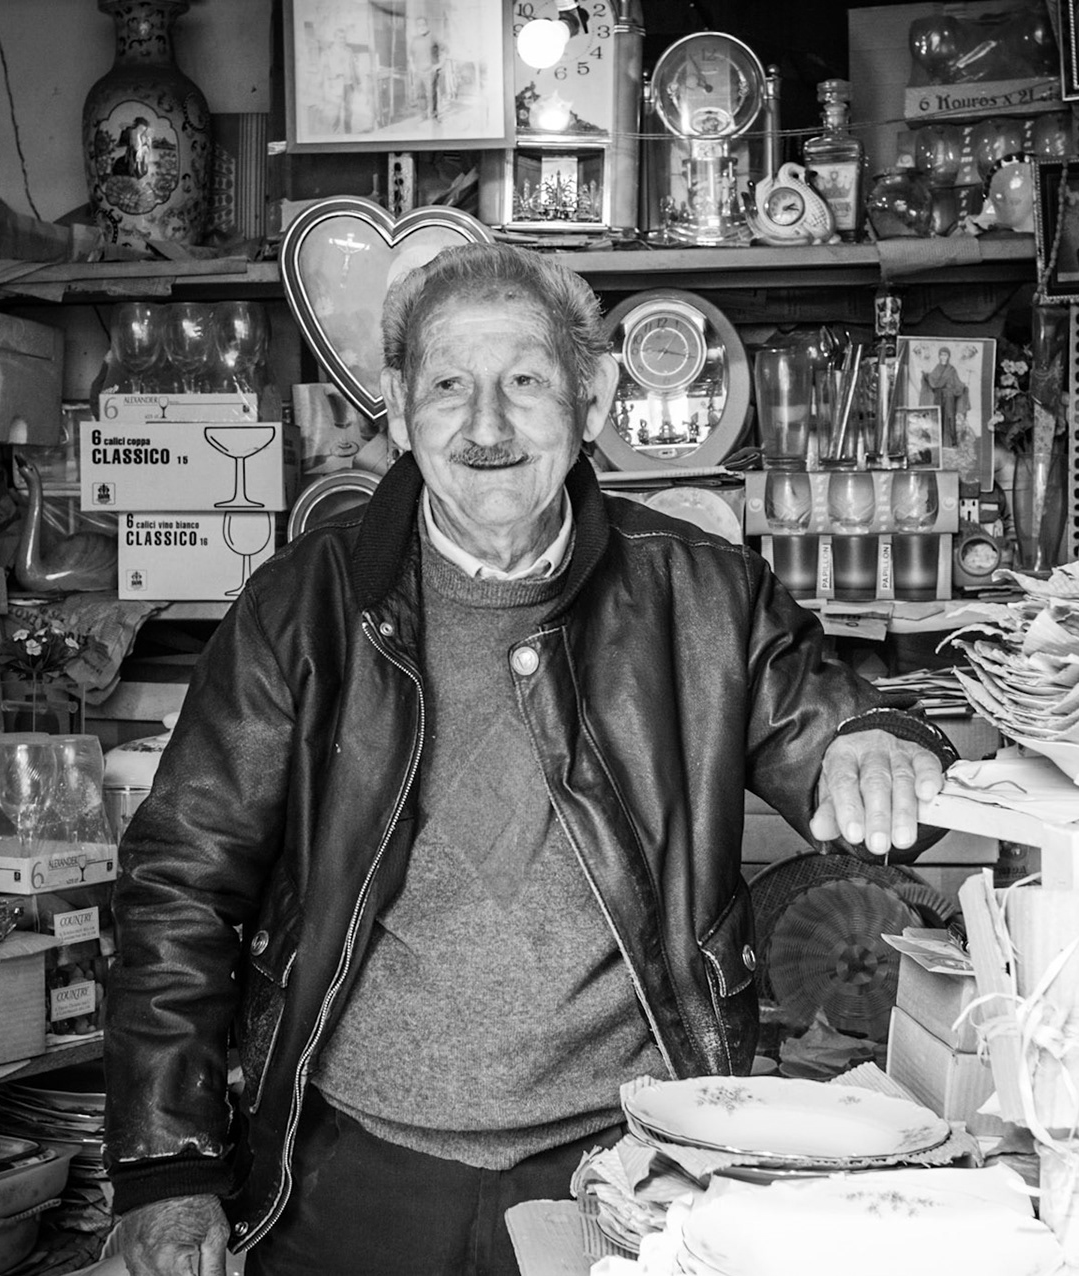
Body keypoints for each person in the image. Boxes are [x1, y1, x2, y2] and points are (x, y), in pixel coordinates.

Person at [106, 243, 958, 1276]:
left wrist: (882, 743)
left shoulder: (704, 593)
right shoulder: (302, 606)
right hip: (353, 1175)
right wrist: (167, 1165)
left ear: (591, 398)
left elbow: (832, 741)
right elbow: (179, 885)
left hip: (619, 1166)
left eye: (525, 382)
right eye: (450, 386)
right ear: (396, 405)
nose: (488, 427)